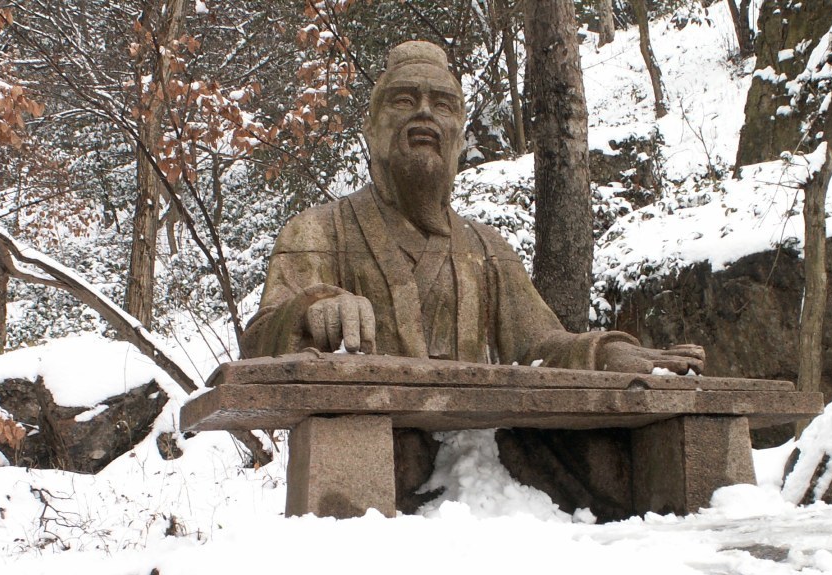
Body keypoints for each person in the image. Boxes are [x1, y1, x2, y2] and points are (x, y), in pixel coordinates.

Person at [241, 40, 704, 377]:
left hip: (475, 447)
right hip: (366, 436)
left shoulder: (487, 249)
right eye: (404, 100)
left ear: (459, 135)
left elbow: (540, 345)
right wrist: (310, 309)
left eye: (442, 104)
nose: (424, 113)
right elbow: (257, 342)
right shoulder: (318, 232)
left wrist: (606, 354)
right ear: (372, 128)